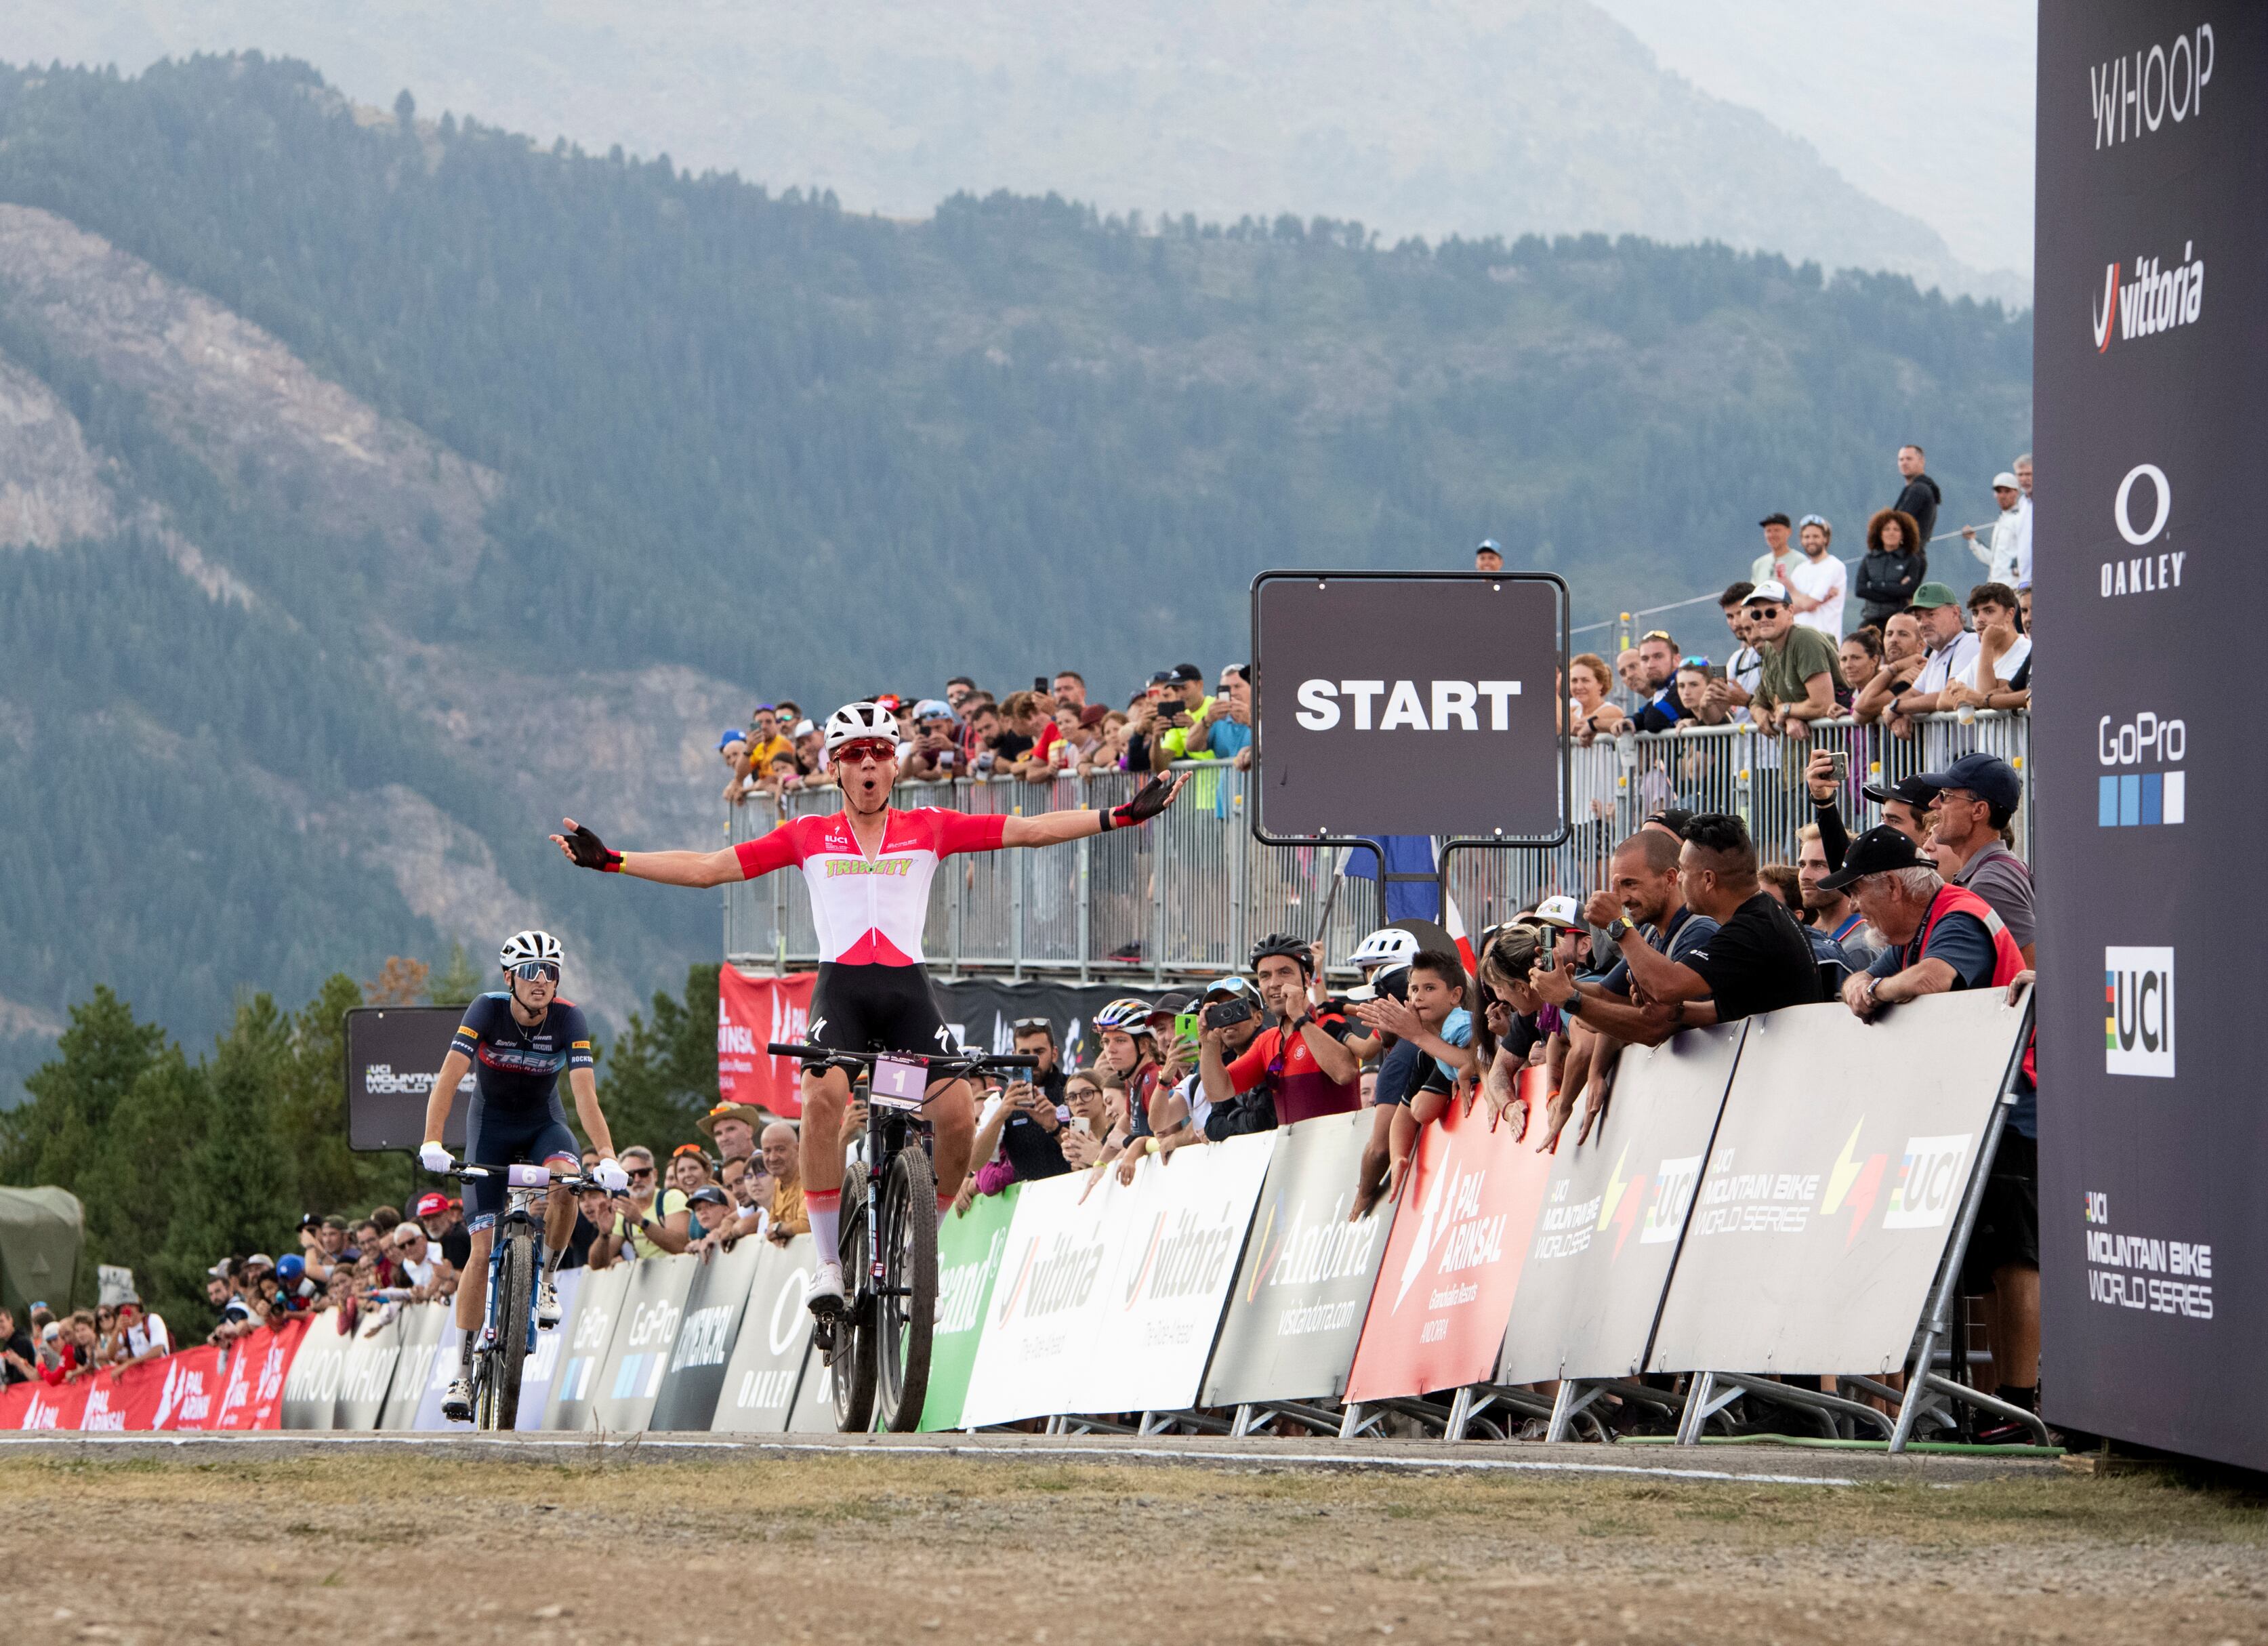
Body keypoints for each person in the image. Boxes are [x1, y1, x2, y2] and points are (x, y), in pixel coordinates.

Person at [550, 699, 1185, 1320]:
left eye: (880, 751)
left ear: (894, 765)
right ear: (835, 769)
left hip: (908, 995)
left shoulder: (929, 826)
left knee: (958, 1116)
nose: (868, 764)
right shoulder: (807, 834)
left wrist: (1123, 815)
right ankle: (828, 1263)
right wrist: (613, 860)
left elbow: (1029, 830)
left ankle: (920, 1250)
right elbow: (711, 869)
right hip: (843, 994)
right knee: (823, 1099)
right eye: (854, 754)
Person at [417, 930, 628, 1423]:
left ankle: (547, 1277)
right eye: (531, 971)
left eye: (550, 972)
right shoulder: (486, 1010)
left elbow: (584, 1096)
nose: (541, 981)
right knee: (480, 1244)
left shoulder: (568, 1018)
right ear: (509, 977)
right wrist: (432, 1140)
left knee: (567, 1180)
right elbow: (448, 1078)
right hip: (489, 1128)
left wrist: (609, 1154)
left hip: (542, 1125)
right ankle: (464, 1373)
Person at [1827, 827, 2025, 1021]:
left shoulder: (1961, 917)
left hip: (2013, 1051)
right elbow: (1862, 978)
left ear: (1892, 886)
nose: (1852, 907)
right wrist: (1860, 985)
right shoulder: (1914, 926)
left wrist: (1874, 990)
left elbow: (1929, 979)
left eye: (1856, 892)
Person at [1914, 753, 2035, 965]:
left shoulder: (1989, 882)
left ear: (1978, 810)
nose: (1934, 804)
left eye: (1946, 795)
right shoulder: (1993, 870)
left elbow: (2032, 965)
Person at [1744, 581, 1846, 741]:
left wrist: (1786, 710)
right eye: (1757, 615)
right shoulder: (1770, 648)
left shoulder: (1804, 639)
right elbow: (1761, 700)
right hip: (1800, 754)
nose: (1763, 619)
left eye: (1771, 613)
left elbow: (1823, 704)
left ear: (1790, 611)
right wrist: (1761, 713)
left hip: (1834, 748)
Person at [1885, 583, 1981, 724]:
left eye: (1931, 614)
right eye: (1918, 618)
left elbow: (1950, 694)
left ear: (1955, 612)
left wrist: (1896, 707)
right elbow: (1913, 694)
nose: (1923, 623)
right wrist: (1902, 712)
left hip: (1966, 746)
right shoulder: (1935, 655)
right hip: (1942, 746)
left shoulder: (1969, 642)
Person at [1796, 823, 1878, 966]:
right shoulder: (1819, 935)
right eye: (1802, 865)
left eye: (1819, 865)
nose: (1804, 875)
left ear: (1846, 874)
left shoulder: (1858, 948)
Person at [1945, 583, 2031, 713]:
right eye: (1975, 613)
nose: (1979, 619)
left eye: (1989, 611)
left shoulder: (2025, 649)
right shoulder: (1979, 659)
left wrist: (1987, 645)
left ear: (2010, 614)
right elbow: (1943, 698)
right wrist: (1968, 697)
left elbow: (1988, 698)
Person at [1851, 609, 1928, 728]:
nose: (1894, 640)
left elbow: (1862, 707)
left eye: (1903, 634)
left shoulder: (1917, 674)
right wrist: (1893, 673)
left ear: (1921, 645)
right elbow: (1858, 715)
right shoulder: (1894, 675)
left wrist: (1894, 668)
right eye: (1889, 634)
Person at [1854, 508, 1926, 630]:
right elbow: (1860, 590)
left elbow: (1910, 589)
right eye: (1886, 529)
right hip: (1871, 618)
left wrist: (1875, 586)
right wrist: (1895, 590)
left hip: (1899, 620)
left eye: (1896, 529)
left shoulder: (1912, 560)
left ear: (1903, 534)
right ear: (1880, 533)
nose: (1891, 533)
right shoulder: (1869, 559)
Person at [1964, 472, 2030, 588]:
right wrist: (1973, 540)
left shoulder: (2022, 519)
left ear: (2016, 492)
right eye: (1999, 491)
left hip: (2015, 589)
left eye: (2007, 491)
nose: (2003, 495)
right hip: (1996, 588)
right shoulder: (2001, 522)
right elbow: (1994, 561)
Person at [1785, 515, 1847, 638]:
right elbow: (1790, 610)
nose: (1811, 541)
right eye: (1807, 537)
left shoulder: (1834, 566)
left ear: (1825, 539)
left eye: (1816, 536)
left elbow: (1809, 604)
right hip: (1799, 639)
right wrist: (1818, 600)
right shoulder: (1799, 570)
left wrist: (1791, 589)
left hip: (1825, 639)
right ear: (1801, 540)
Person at [1630, 632, 1685, 732]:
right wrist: (1630, 722)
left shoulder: (1684, 685)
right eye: (1645, 659)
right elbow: (1644, 715)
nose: (1650, 665)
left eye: (1658, 657)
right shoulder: (1662, 689)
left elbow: (1654, 721)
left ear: (1676, 660)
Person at [1891, 443, 1941, 549]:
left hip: (1906, 555)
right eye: (1901, 460)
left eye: (1909, 459)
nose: (1904, 463)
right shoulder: (1923, 487)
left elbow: (1899, 523)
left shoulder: (1919, 490)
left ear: (1922, 461)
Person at [413, 1191, 473, 1272]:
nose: (432, 1223)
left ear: (448, 1213)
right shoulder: (454, 1233)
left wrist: (450, 1275)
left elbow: (461, 1279)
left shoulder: (454, 1238)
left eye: (436, 1216)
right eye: (426, 1219)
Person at [696, 1103, 764, 1169]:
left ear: (749, 1131)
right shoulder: (717, 1174)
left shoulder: (768, 1162)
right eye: (718, 1134)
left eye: (731, 1129)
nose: (724, 1138)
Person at [1748, 512, 1798, 590]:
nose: (1772, 535)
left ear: (1789, 532)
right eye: (1768, 531)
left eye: (1777, 530)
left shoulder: (1799, 562)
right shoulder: (1759, 564)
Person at [1837, 626, 1882, 699]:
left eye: (1856, 658)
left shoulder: (1886, 693)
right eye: (1844, 659)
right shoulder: (1846, 697)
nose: (1848, 665)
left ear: (1874, 660)